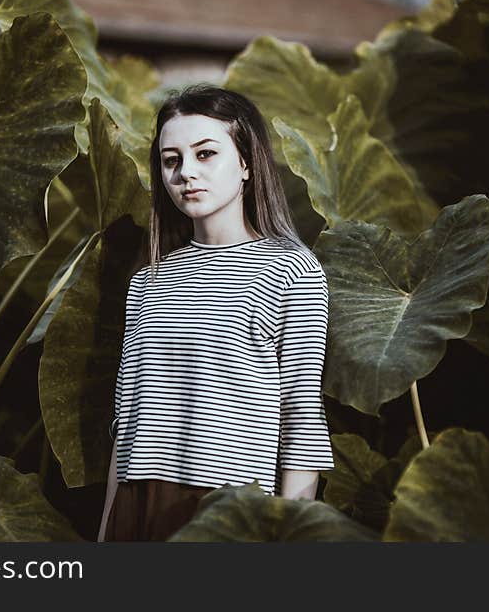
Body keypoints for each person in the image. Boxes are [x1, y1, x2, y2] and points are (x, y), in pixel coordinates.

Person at [98, 84, 335, 542]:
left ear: (246, 163)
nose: (186, 172)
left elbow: (301, 420)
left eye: (206, 154)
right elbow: (126, 424)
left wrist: (283, 535)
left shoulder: (290, 269)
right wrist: (106, 529)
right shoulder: (148, 280)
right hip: (136, 504)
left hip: (228, 513)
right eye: (171, 160)